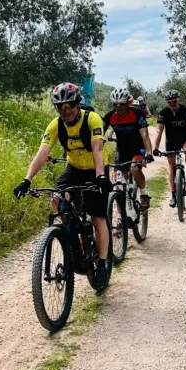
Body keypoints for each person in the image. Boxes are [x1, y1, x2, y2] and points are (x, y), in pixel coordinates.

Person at [13, 82, 110, 287]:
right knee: (56, 200)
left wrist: (101, 176)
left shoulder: (92, 119)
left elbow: (98, 149)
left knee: (98, 216)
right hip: (74, 169)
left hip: (95, 169)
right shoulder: (55, 125)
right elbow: (42, 153)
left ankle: (102, 263)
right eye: (60, 107)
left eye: (69, 106)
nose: (65, 111)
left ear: (78, 104)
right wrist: (26, 179)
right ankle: (72, 235)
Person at [102, 87, 154, 209]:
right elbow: (98, 135)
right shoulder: (110, 116)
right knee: (118, 185)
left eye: (121, 104)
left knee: (135, 169)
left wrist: (149, 153)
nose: (118, 107)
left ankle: (144, 195)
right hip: (121, 150)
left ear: (127, 104)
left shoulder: (137, 113)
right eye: (115, 105)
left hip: (137, 149)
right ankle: (121, 218)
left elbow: (145, 136)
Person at [153, 89, 186, 207]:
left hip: (185, 137)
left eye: (174, 102)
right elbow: (159, 131)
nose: (172, 105)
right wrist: (155, 148)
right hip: (171, 140)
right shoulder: (163, 113)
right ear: (166, 103)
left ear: (178, 100)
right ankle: (173, 195)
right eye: (169, 102)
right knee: (171, 166)